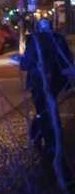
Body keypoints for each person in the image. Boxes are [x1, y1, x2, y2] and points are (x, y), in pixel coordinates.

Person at [19, 17, 73, 152]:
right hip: (53, 81)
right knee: (48, 109)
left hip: (40, 81)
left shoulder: (34, 40)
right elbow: (67, 59)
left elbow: (25, 64)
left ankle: (47, 140)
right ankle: (46, 138)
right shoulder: (57, 38)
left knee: (43, 111)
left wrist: (23, 62)